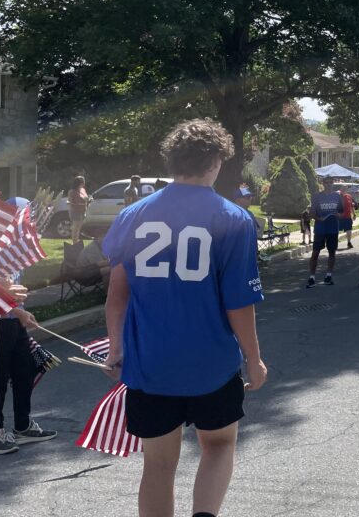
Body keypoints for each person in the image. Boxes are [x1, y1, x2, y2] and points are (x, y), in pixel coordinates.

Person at [101, 119, 267, 517]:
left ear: (173, 161)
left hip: (150, 364)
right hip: (212, 363)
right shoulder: (233, 219)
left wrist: (116, 347)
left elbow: (116, 297)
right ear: (215, 161)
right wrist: (254, 359)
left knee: (157, 465)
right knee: (220, 445)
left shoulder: (133, 215)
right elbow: (239, 302)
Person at [0, 277, 57, 455]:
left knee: (24, 372)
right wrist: (17, 310)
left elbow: (11, 289)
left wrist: (19, 309)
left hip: (15, 319)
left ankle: (23, 426)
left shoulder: (12, 252)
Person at [307, 178, 345, 288]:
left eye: (330, 182)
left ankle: (328, 276)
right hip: (320, 229)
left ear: (333, 184)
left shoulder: (337, 196)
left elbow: (342, 212)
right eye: (326, 182)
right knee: (315, 253)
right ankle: (312, 277)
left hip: (333, 229)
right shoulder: (317, 196)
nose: (328, 184)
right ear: (323, 184)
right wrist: (319, 218)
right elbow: (311, 213)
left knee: (332, 252)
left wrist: (339, 215)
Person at [67, 175, 88, 243]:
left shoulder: (83, 190)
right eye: (83, 181)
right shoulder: (72, 191)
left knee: (78, 228)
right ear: (79, 183)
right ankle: (74, 242)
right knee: (75, 228)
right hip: (75, 211)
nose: (84, 183)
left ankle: (76, 241)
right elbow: (70, 201)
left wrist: (89, 199)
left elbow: (86, 198)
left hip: (83, 210)